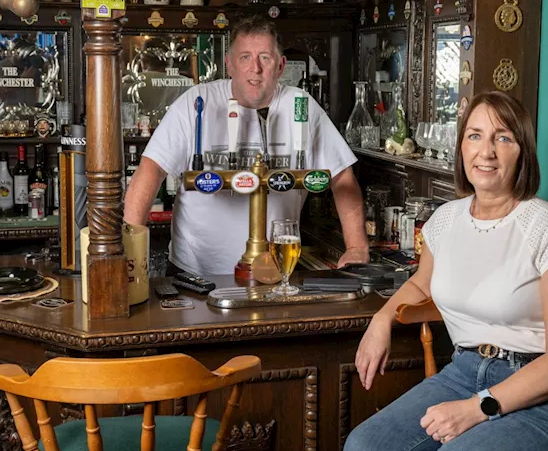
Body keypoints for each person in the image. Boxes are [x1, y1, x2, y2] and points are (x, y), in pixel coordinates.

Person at [341, 91, 548, 451]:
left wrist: (479, 408)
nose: (486, 151)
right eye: (475, 135)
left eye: (503, 138)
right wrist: (382, 318)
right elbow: (422, 283)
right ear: (461, 147)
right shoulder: (446, 220)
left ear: (523, 151)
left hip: (545, 399)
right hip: (463, 373)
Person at [124, 15, 369, 275]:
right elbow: (151, 171)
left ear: (281, 66)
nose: (255, 68)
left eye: (265, 57)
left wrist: (356, 247)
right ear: (229, 64)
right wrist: (128, 254)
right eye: (245, 57)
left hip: (276, 269)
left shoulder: (301, 106)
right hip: (195, 272)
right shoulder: (196, 102)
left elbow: (342, 177)